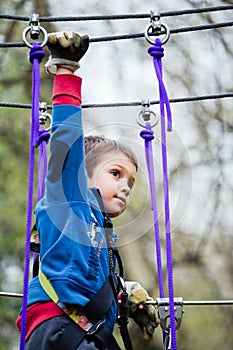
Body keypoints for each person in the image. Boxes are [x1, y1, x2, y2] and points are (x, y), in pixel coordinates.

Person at [16, 31, 159, 350]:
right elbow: (66, 142)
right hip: (60, 332)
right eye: (115, 173)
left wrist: (126, 296)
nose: (124, 186)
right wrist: (67, 72)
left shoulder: (98, 232)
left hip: (85, 335)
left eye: (130, 183)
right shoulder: (71, 200)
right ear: (82, 176)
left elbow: (86, 276)